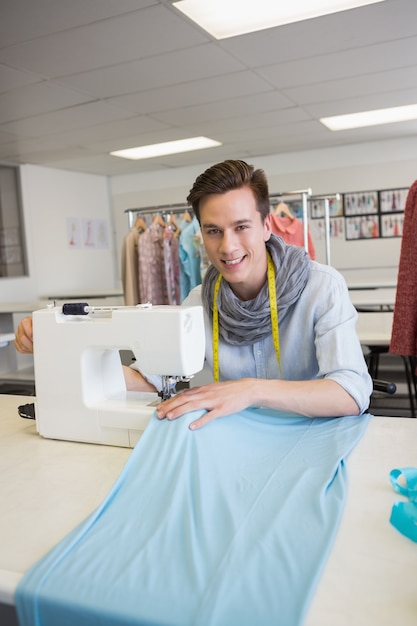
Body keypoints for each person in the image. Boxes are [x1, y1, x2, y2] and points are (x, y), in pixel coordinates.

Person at [15, 160, 372, 430]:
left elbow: (351, 392)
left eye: (241, 227)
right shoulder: (198, 303)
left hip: (308, 439)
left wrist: (252, 390)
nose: (228, 246)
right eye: (214, 230)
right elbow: (150, 380)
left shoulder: (322, 287)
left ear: (266, 226)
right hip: (232, 441)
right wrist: (59, 344)